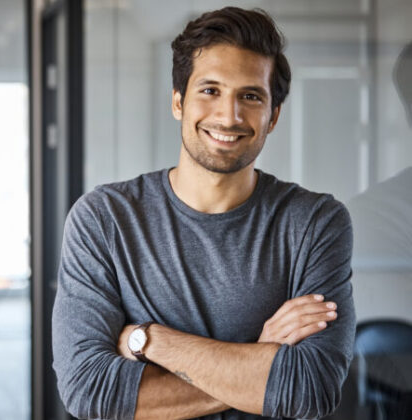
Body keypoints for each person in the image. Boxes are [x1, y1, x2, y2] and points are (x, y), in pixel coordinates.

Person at [52, 6, 356, 420]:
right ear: (178, 101)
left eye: (250, 96)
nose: (228, 116)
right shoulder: (103, 220)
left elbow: (309, 389)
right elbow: (91, 392)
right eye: (210, 90)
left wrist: (147, 341)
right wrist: (260, 358)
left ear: (274, 117)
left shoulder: (314, 222)